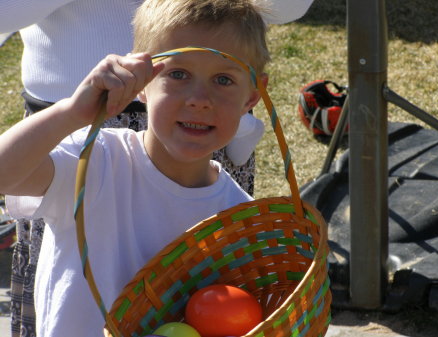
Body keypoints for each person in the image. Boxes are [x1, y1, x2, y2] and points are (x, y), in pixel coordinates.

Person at [0, 0, 271, 336]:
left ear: (252, 97)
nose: (199, 98)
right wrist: (71, 112)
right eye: (178, 74)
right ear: (141, 83)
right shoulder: (95, 161)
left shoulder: (237, 217)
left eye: (223, 80)